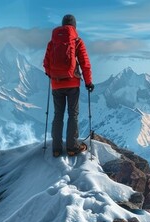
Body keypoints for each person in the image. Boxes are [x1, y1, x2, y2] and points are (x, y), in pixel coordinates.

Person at [43, 14, 94, 157]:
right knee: (73, 114)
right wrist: (88, 82)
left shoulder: (52, 42)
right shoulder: (77, 40)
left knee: (57, 114)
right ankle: (72, 147)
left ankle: (56, 148)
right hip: (72, 84)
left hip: (56, 84)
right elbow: (85, 63)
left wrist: (52, 75)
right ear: (74, 26)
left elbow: (46, 64)